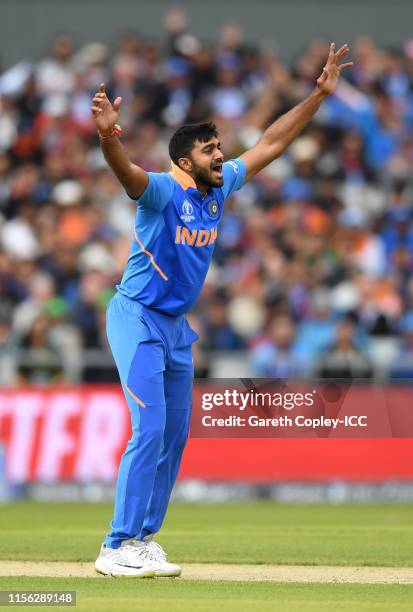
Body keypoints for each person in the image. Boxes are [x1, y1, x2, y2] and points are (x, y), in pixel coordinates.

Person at [92, 42, 352, 578]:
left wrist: (317, 97)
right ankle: (114, 546)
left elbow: (272, 143)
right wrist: (107, 136)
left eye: (219, 146)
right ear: (186, 161)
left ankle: (142, 539)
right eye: (211, 149)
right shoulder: (164, 192)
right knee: (150, 429)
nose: (221, 154)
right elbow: (127, 175)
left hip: (174, 327)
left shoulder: (220, 187)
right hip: (136, 316)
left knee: (175, 435)